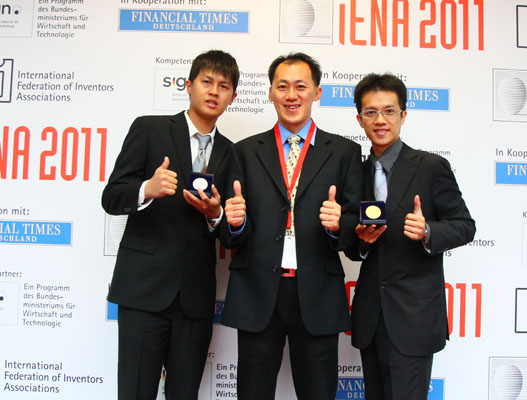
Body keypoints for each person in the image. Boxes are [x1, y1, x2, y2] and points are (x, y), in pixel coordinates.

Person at [220, 52, 362, 400]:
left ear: (317, 92)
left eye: (301, 86)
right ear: (270, 93)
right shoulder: (244, 152)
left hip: (318, 292)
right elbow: (228, 233)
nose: (291, 95)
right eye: (282, 87)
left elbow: (357, 232)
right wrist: (234, 223)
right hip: (257, 291)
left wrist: (338, 225)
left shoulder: (344, 152)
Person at [101, 49, 239, 400]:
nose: (214, 91)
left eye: (223, 86)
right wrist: (146, 189)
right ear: (189, 85)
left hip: (194, 299)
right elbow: (111, 197)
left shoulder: (231, 152)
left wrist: (215, 214)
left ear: (233, 97)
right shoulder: (150, 128)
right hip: (143, 291)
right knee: (135, 392)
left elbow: (231, 232)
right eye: (206, 82)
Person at [348, 73, 476, 400]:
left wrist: (428, 231)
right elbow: (352, 245)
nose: (380, 120)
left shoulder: (431, 166)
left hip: (413, 318)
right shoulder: (355, 173)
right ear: (360, 119)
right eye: (371, 112)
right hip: (370, 317)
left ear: (403, 115)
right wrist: (361, 241)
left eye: (389, 111)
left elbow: (465, 225)